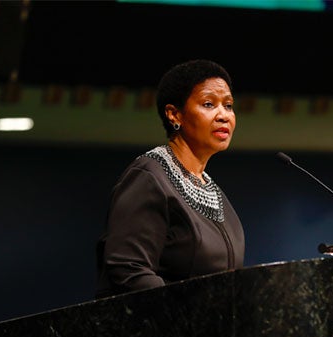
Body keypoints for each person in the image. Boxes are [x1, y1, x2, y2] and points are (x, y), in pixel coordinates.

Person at [95, 59, 245, 298]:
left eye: (228, 105)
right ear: (174, 114)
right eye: (208, 104)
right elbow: (129, 269)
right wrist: (186, 319)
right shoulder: (149, 177)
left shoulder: (213, 192)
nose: (223, 115)